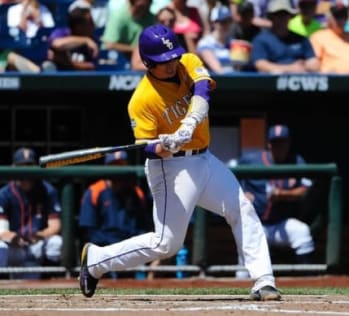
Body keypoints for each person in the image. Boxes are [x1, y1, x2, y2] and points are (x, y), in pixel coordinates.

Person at [78, 23, 281, 301]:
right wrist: (166, 145)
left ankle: (263, 280)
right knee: (166, 244)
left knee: (242, 209)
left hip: (204, 159)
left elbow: (203, 91)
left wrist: (188, 125)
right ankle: (97, 260)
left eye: (173, 57)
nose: (171, 64)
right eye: (163, 62)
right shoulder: (142, 99)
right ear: (148, 63)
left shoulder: (188, 62)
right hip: (170, 168)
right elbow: (149, 149)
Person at [235, 124, 315, 278]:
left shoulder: (297, 161)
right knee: (244, 263)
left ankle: (308, 279)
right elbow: (230, 176)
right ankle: (241, 282)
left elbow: (306, 188)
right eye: (276, 143)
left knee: (301, 232)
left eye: (283, 142)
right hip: (255, 222)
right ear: (269, 144)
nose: (279, 147)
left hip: (280, 223)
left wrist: (283, 194)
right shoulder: (251, 160)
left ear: (289, 143)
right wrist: (242, 193)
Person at [78, 150, 155, 279]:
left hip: (131, 249)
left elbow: (143, 226)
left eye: (121, 165)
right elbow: (88, 230)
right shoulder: (94, 191)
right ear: (107, 168)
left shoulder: (136, 192)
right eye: (114, 165)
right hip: (104, 248)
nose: (118, 171)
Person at [0, 147, 63, 279]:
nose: (25, 171)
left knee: (56, 242)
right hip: (14, 246)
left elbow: (55, 225)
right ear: (13, 167)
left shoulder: (47, 190)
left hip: (37, 243)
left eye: (29, 166)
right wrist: (14, 237)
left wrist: (39, 235)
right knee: (1, 247)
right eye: (21, 166)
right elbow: (1, 229)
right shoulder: (5, 193)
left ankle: (52, 279)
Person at [249, 0, 319, 74]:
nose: (281, 18)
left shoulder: (301, 39)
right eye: (278, 15)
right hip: (271, 82)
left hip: (300, 80)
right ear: (271, 17)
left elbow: (314, 63)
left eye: (285, 14)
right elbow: (260, 64)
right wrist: (291, 68)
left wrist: (307, 65)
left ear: (290, 17)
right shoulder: (261, 40)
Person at [309, 3, 349, 74]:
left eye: (343, 16)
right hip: (333, 79)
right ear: (329, 19)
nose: (341, 20)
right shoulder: (318, 37)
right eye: (337, 17)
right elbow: (313, 62)